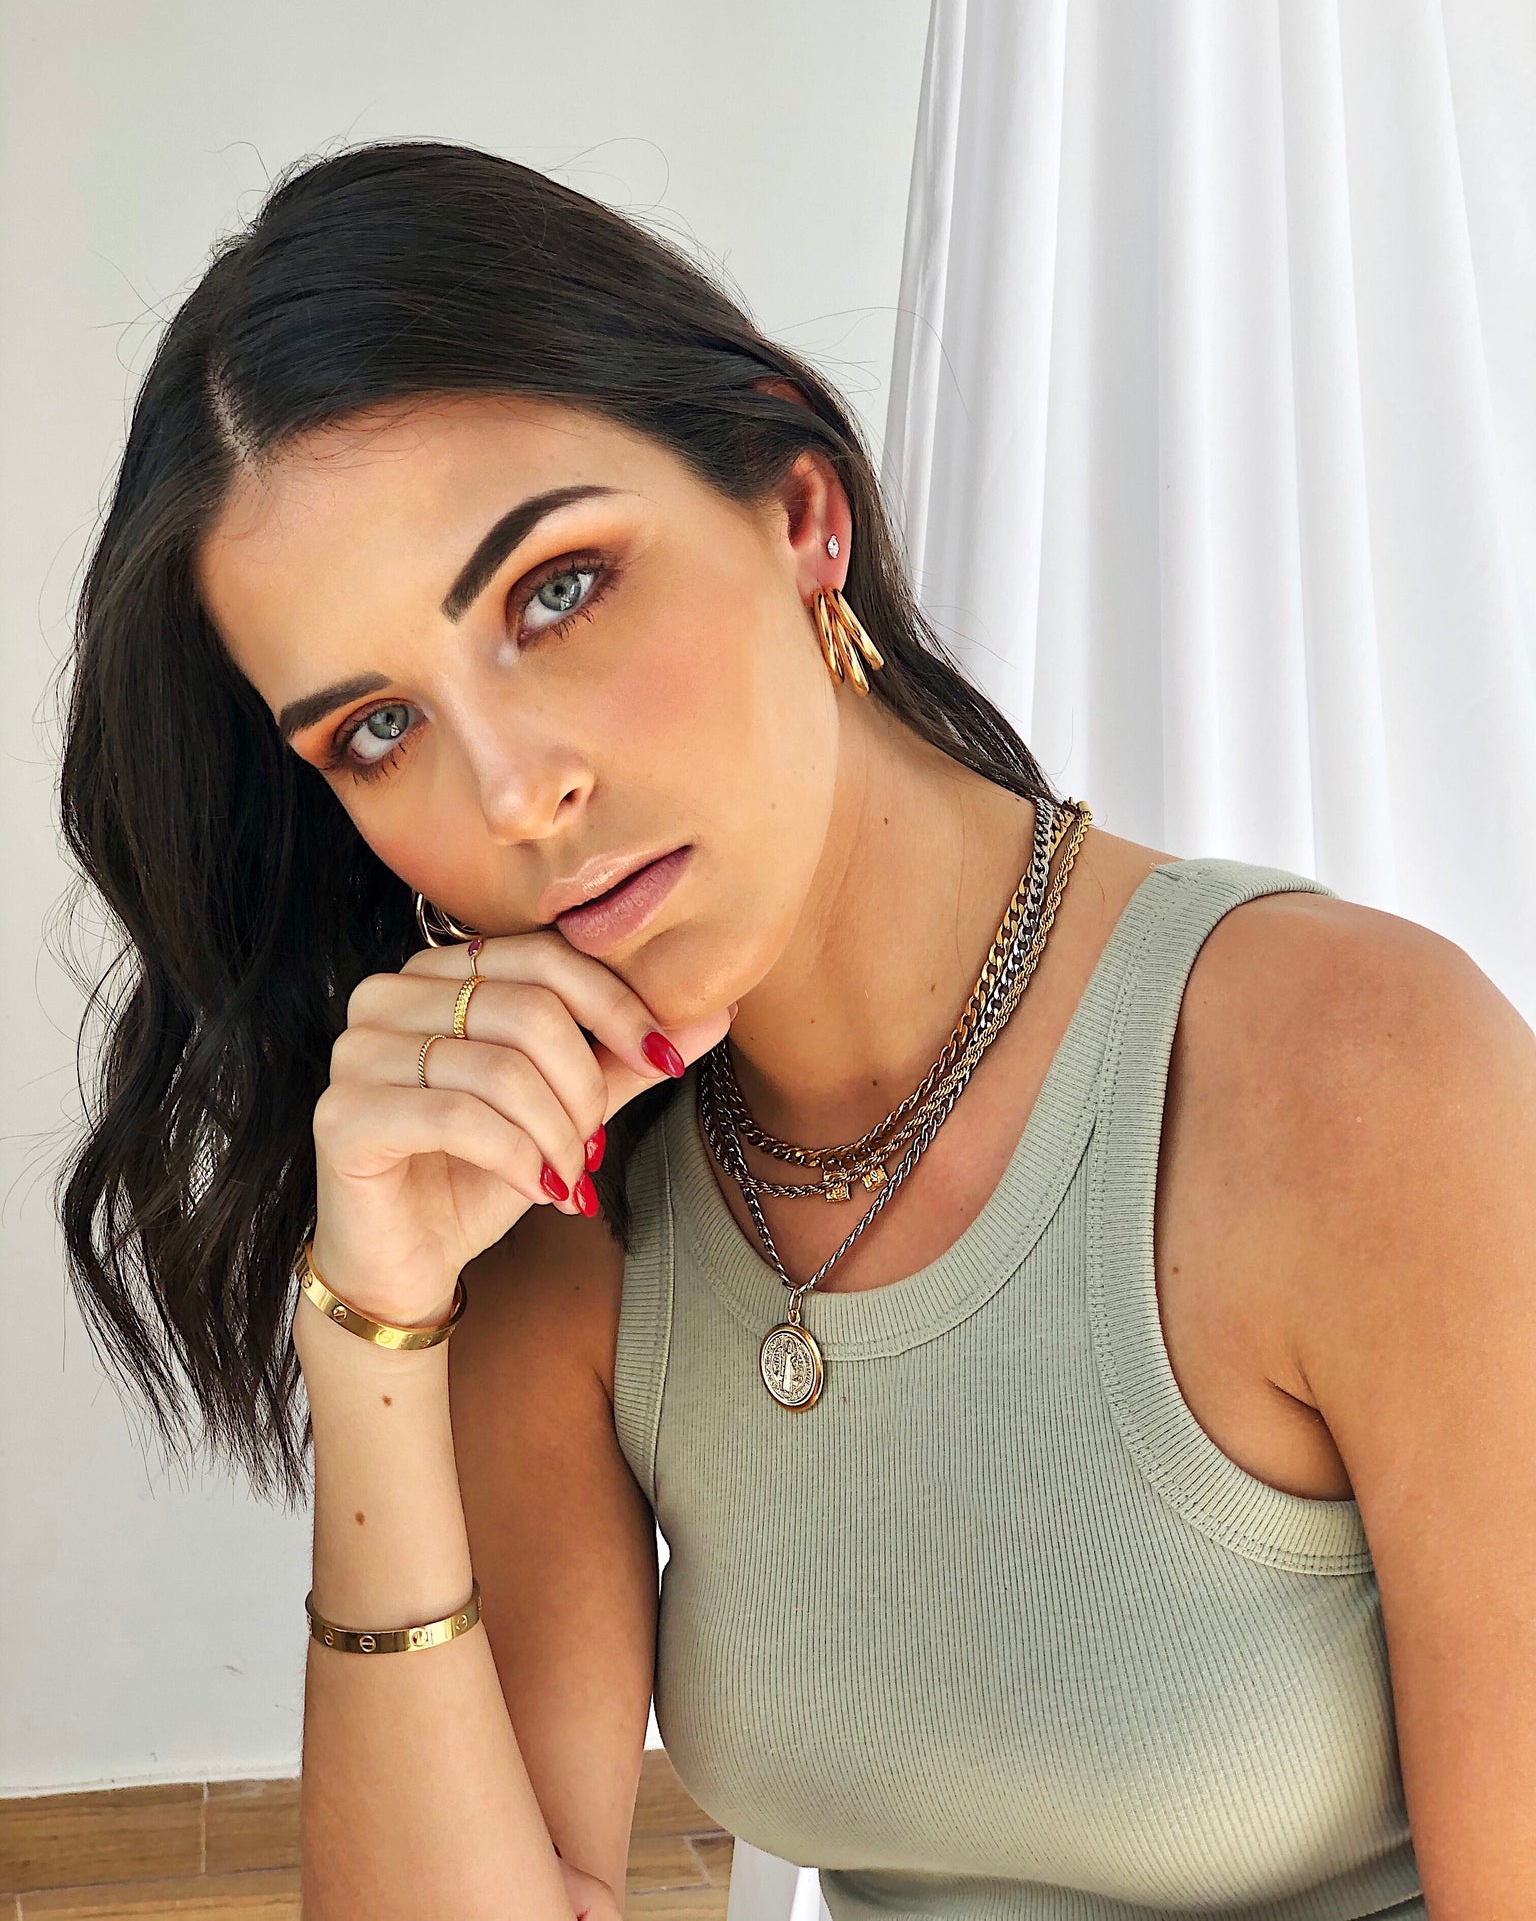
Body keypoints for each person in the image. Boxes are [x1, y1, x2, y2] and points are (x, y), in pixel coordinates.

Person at [53, 140, 1534, 1921]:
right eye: (378, 731)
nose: (514, 793)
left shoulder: (1357, 1074)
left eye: (553, 591)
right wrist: (370, 1331)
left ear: (800, 510)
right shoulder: (565, 1219)